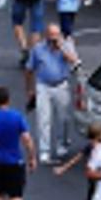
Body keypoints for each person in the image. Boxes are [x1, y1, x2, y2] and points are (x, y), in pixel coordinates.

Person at [26, 23, 80, 165]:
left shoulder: (66, 45)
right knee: (43, 119)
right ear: (46, 36)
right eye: (51, 36)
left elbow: (74, 61)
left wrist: (62, 48)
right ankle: (44, 150)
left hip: (61, 85)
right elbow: (29, 69)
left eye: (57, 35)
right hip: (43, 86)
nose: (54, 39)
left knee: (63, 118)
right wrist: (30, 89)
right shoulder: (38, 49)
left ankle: (63, 144)